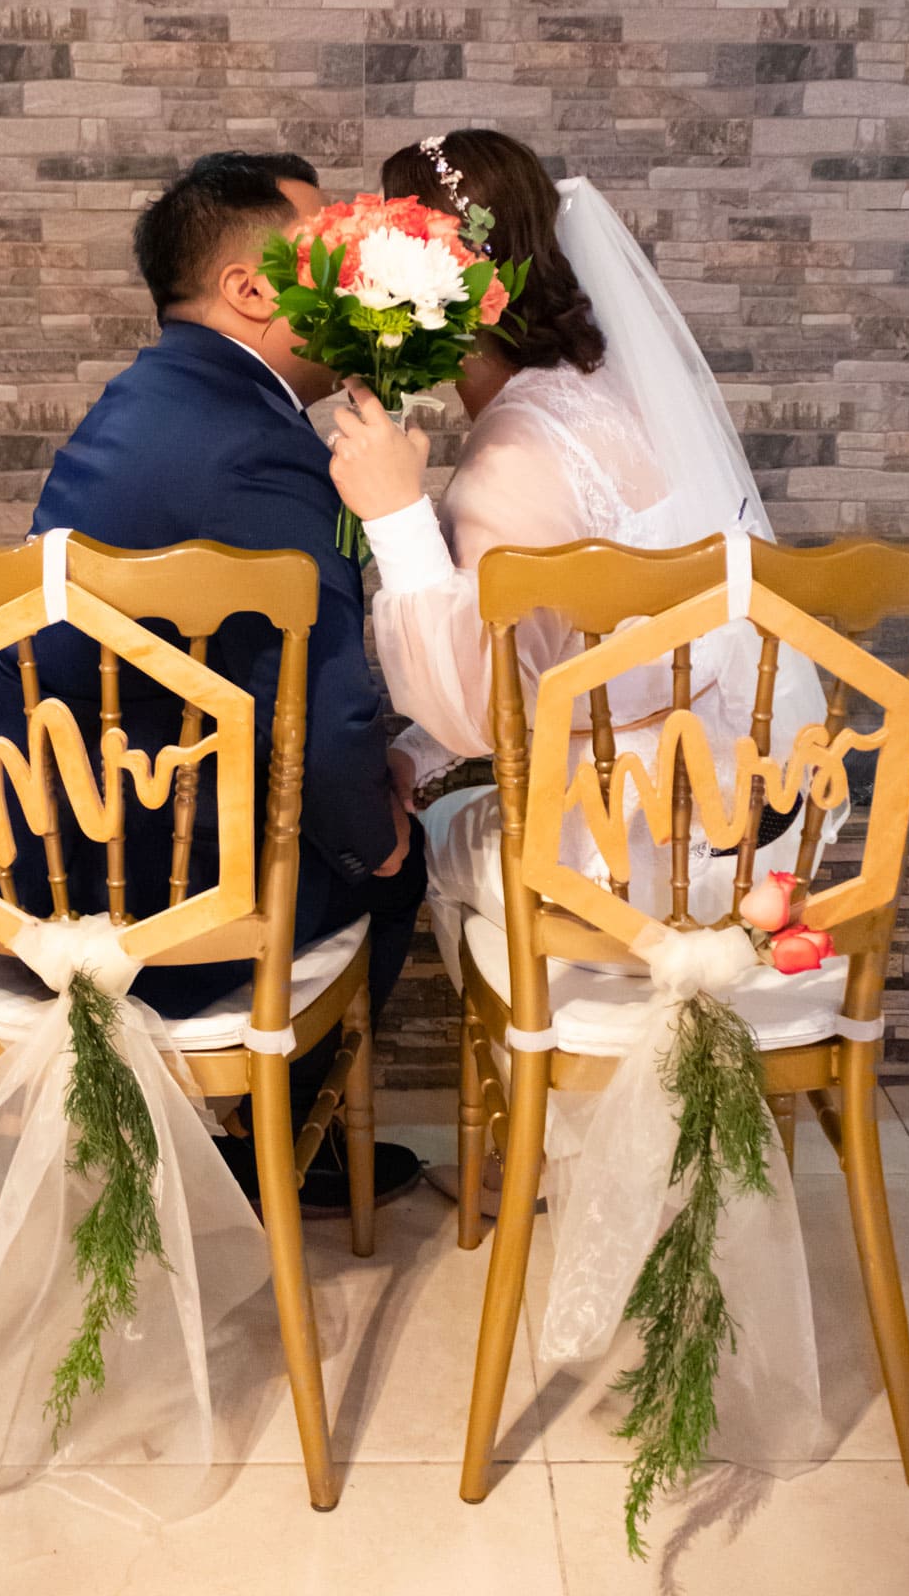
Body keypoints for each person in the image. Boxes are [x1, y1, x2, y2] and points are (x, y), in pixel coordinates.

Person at [326, 132, 832, 1201]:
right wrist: (420, 738)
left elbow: (476, 715)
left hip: (634, 861)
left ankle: (549, 1145)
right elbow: (579, 659)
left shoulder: (506, 463)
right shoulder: (620, 397)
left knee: (439, 831)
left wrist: (393, 523)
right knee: (460, 793)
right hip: (753, 835)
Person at [0, 150, 424, 1212]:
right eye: (326, 253)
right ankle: (272, 1159)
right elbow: (324, 703)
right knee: (392, 854)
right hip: (140, 900)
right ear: (250, 290)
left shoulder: (151, 397)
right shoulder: (253, 446)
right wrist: (369, 826)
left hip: (30, 858)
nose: (353, 276)